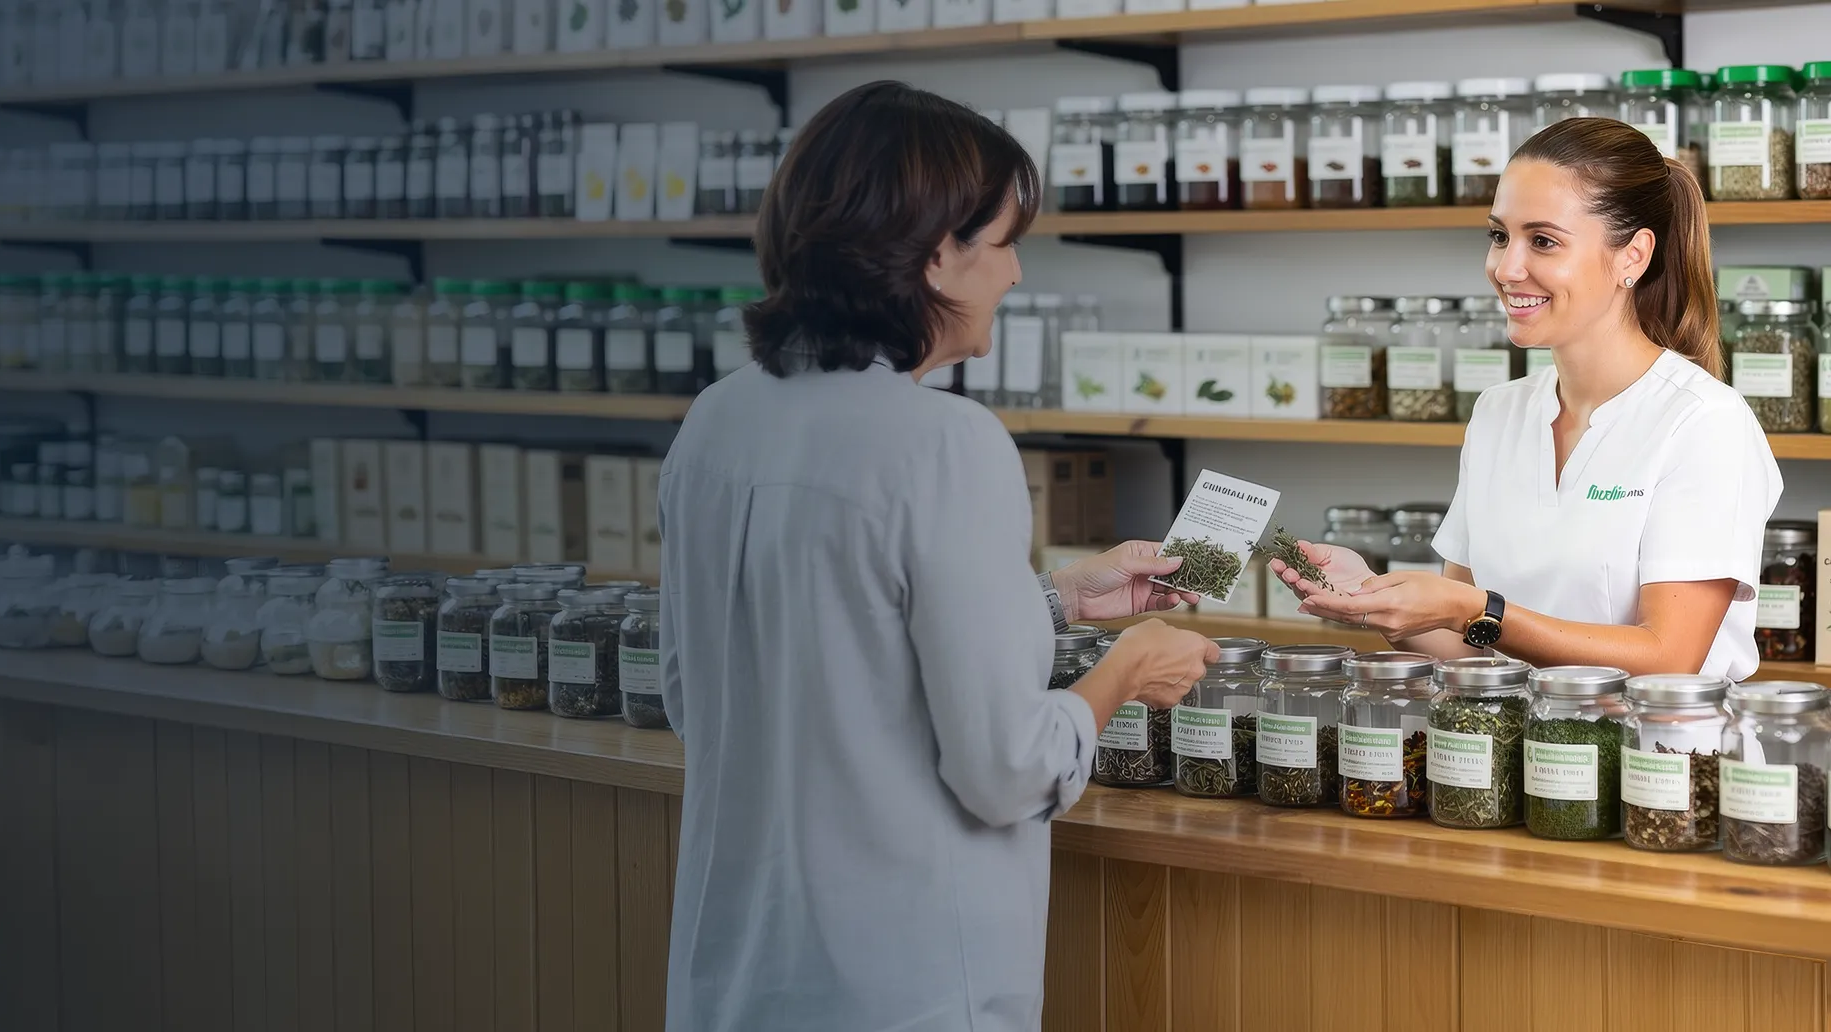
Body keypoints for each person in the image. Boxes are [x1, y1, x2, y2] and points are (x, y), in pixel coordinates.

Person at [655, 81, 1220, 1032]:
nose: (1015, 274)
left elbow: (706, 689)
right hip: (902, 978)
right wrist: (1125, 670)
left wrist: (1054, 601)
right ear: (933, 255)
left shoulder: (718, 420)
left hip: (742, 970)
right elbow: (1004, 768)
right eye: (1002, 242)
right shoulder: (946, 443)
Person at [1271, 116, 1780, 679]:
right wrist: (1373, 597)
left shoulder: (1703, 422)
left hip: (1652, 738)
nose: (1506, 268)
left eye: (1543, 241)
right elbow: (1466, 646)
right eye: (1499, 236)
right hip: (1512, 733)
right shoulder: (1499, 412)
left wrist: (1475, 609)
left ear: (1632, 256)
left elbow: (1669, 657)